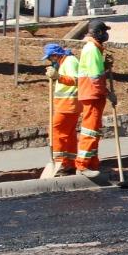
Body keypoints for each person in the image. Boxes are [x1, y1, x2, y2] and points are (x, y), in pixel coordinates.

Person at [75, 19, 115, 174]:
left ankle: (92, 163)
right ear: (98, 33)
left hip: (93, 94)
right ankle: (83, 165)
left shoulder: (95, 49)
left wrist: (105, 66)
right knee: (90, 130)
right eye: (104, 32)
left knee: (94, 130)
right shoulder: (91, 49)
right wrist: (109, 94)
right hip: (92, 94)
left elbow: (97, 70)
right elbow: (95, 77)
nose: (106, 35)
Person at [43, 42, 79, 176]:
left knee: (55, 130)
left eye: (50, 57)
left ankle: (60, 163)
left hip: (68, 104)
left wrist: (58, 77)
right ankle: (70, 162)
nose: (49, 60)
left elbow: (76, 80)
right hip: (67, 104)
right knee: (68, 133)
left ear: (55, 55)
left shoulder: (70, 62)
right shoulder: (65, 62)